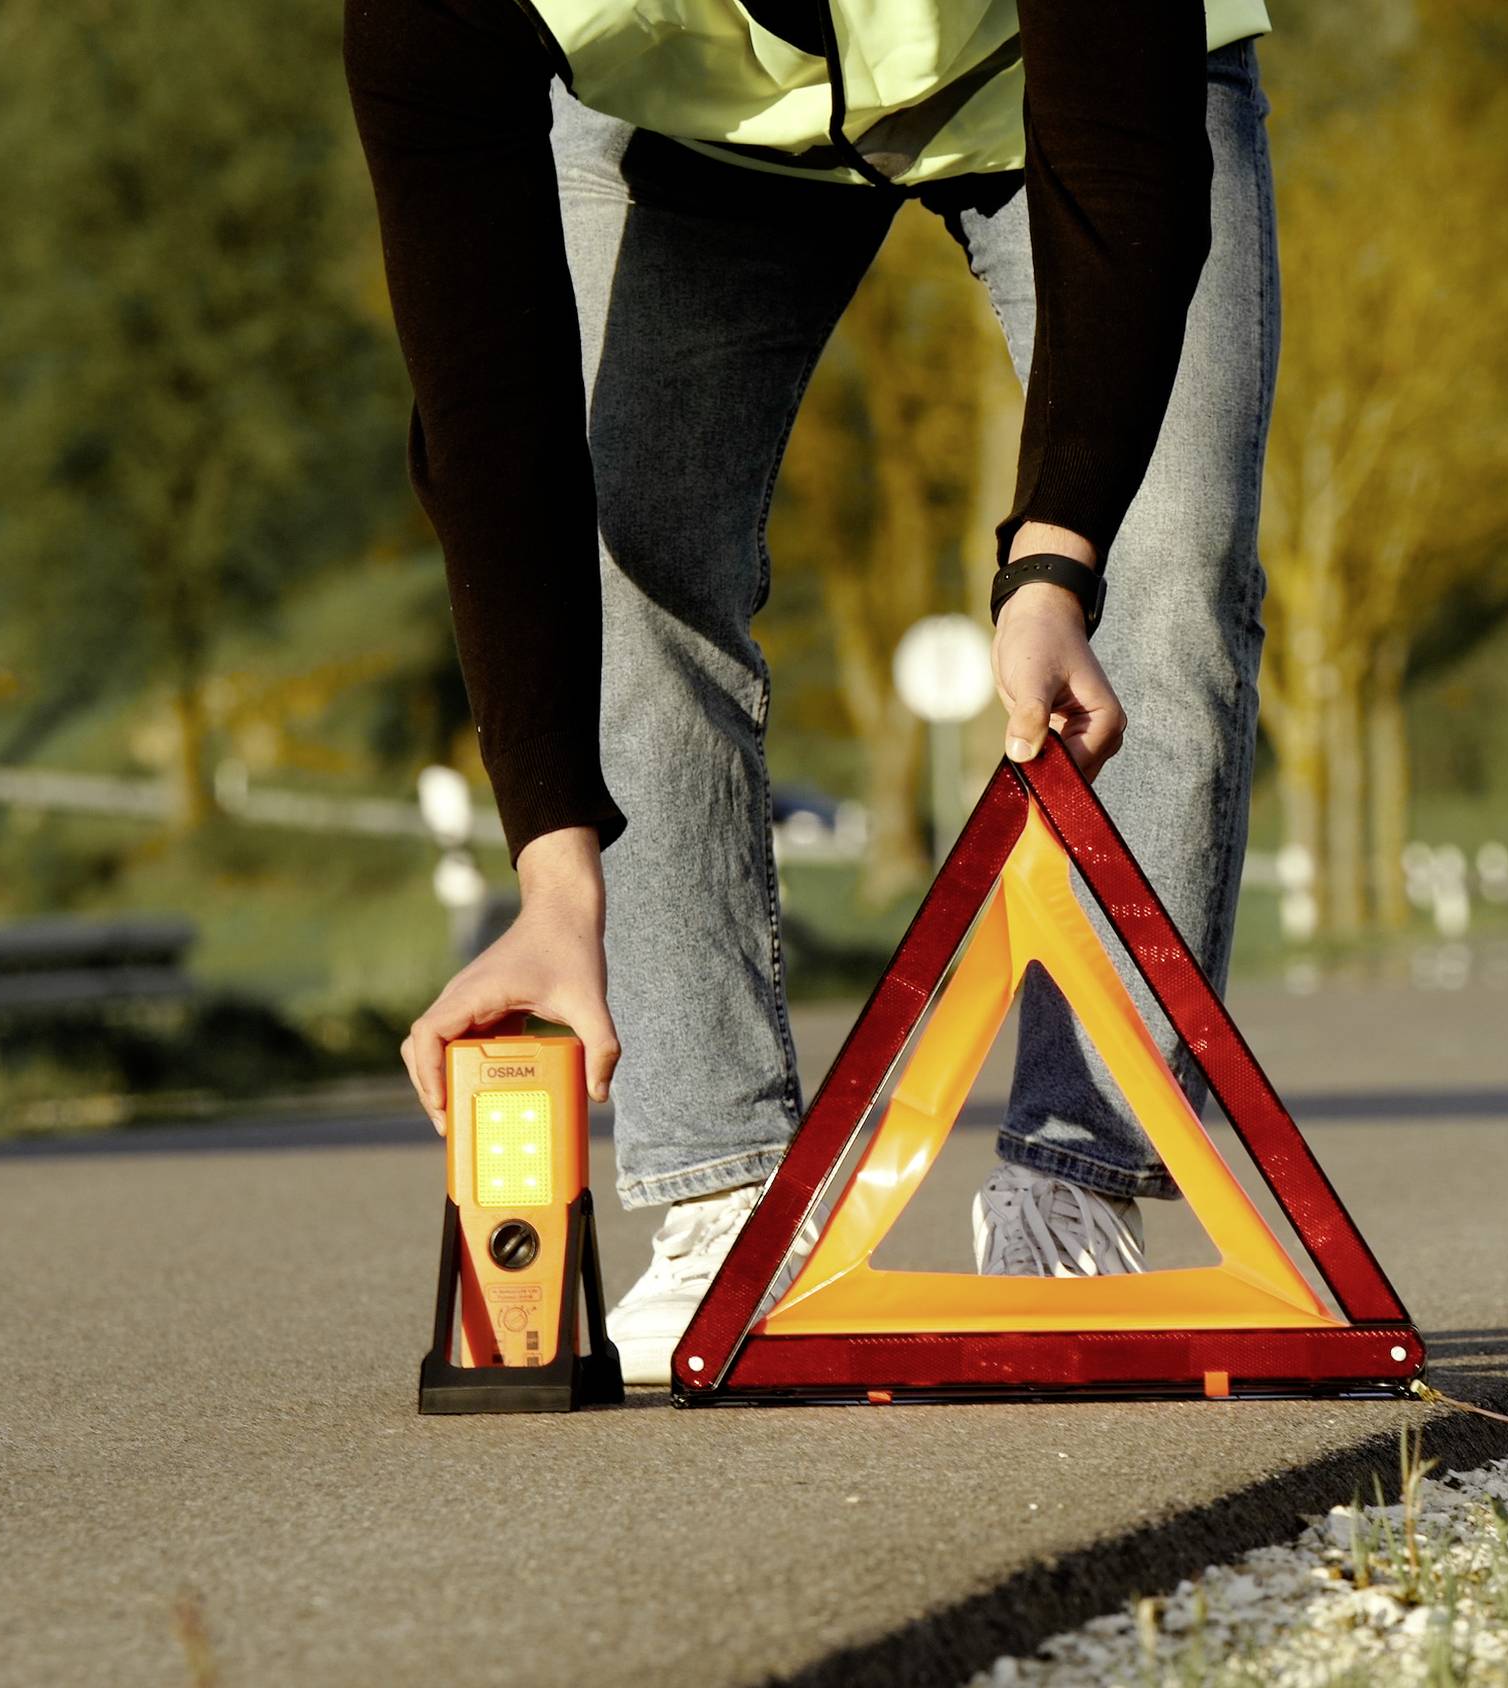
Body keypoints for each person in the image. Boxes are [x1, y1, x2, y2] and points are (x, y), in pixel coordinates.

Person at [345, 0, 1278, 1382]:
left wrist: (1055, 558)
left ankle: (1078, 1176)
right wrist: (552, 872)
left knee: (1168, 553)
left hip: (1064, 75)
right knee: (633, 547)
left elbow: (1124, 170)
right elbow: (495, 430)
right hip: (704, 130)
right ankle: (729, 1191)